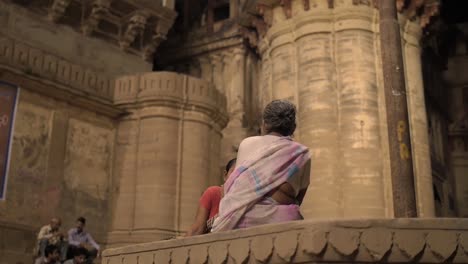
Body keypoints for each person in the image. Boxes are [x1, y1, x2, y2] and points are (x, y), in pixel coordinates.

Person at [212, 100, 311, 232]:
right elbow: (299, 198)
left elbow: (235, 189)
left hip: (243, 222)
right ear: (293, 126)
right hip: (283, 223)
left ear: (264, 124)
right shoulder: (301, 153)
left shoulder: (248, 144)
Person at [185, 158, 237, 236]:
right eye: (234, 173)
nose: (236, 178)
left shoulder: (249, 199)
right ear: (225, 175)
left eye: (241, 175)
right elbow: (197, 229)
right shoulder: (213, 193)